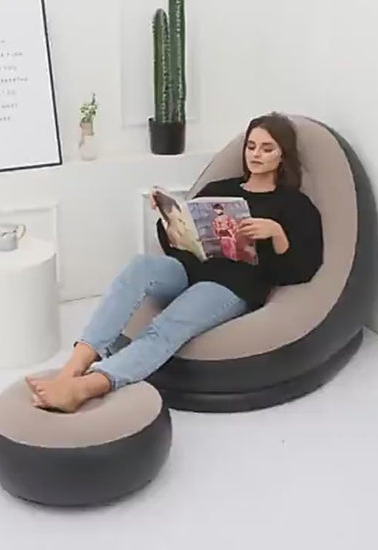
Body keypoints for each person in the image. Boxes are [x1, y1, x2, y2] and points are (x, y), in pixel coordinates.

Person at [26, 112, 324, 412]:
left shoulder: (293, 204)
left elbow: (302, 270)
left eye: (267, 148)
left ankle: (86, 387)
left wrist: (276, 233)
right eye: (251, 146)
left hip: (233, 284)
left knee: (167, 325)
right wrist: (169, 220)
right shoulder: (219, 190)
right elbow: (178, 245)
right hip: (191, 268)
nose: (256, 154)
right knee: (140, 266)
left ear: (283, 156)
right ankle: (72, 369)